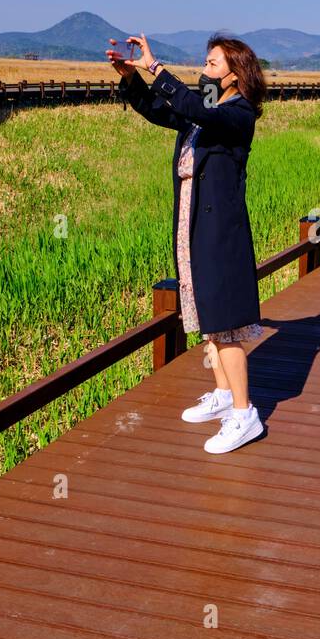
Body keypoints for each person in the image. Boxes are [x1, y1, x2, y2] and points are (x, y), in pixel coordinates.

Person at [108, 33, 267, 454]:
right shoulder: (208, 109)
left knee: (226, 325)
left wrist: (156, 67)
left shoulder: (238, 114)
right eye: (206, 62)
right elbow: (166, 112)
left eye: (213, 65)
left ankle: (244, 413)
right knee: (207, 315)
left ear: (236, 75)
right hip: (192, 221)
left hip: (220, 232)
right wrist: (131, 80)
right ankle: (222, 395)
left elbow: (191, 105)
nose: (205, 70)